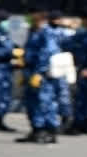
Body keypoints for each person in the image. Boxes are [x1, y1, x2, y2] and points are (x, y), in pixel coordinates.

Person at [17, 9, 62, 144]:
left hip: (42, 75)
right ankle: (36, 130)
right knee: (31, 102)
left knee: (44, 103)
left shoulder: (46, 32)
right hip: (30, 72)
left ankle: (48, 132)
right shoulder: (33, 31)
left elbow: (48, 52)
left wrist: (39, 72)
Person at [62, 7, 87, 135]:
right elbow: (67, 43)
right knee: (82, 99)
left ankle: (79, 125)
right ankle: (83, 124)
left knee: (83, 99)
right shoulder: (84, 33)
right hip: (82, 68)